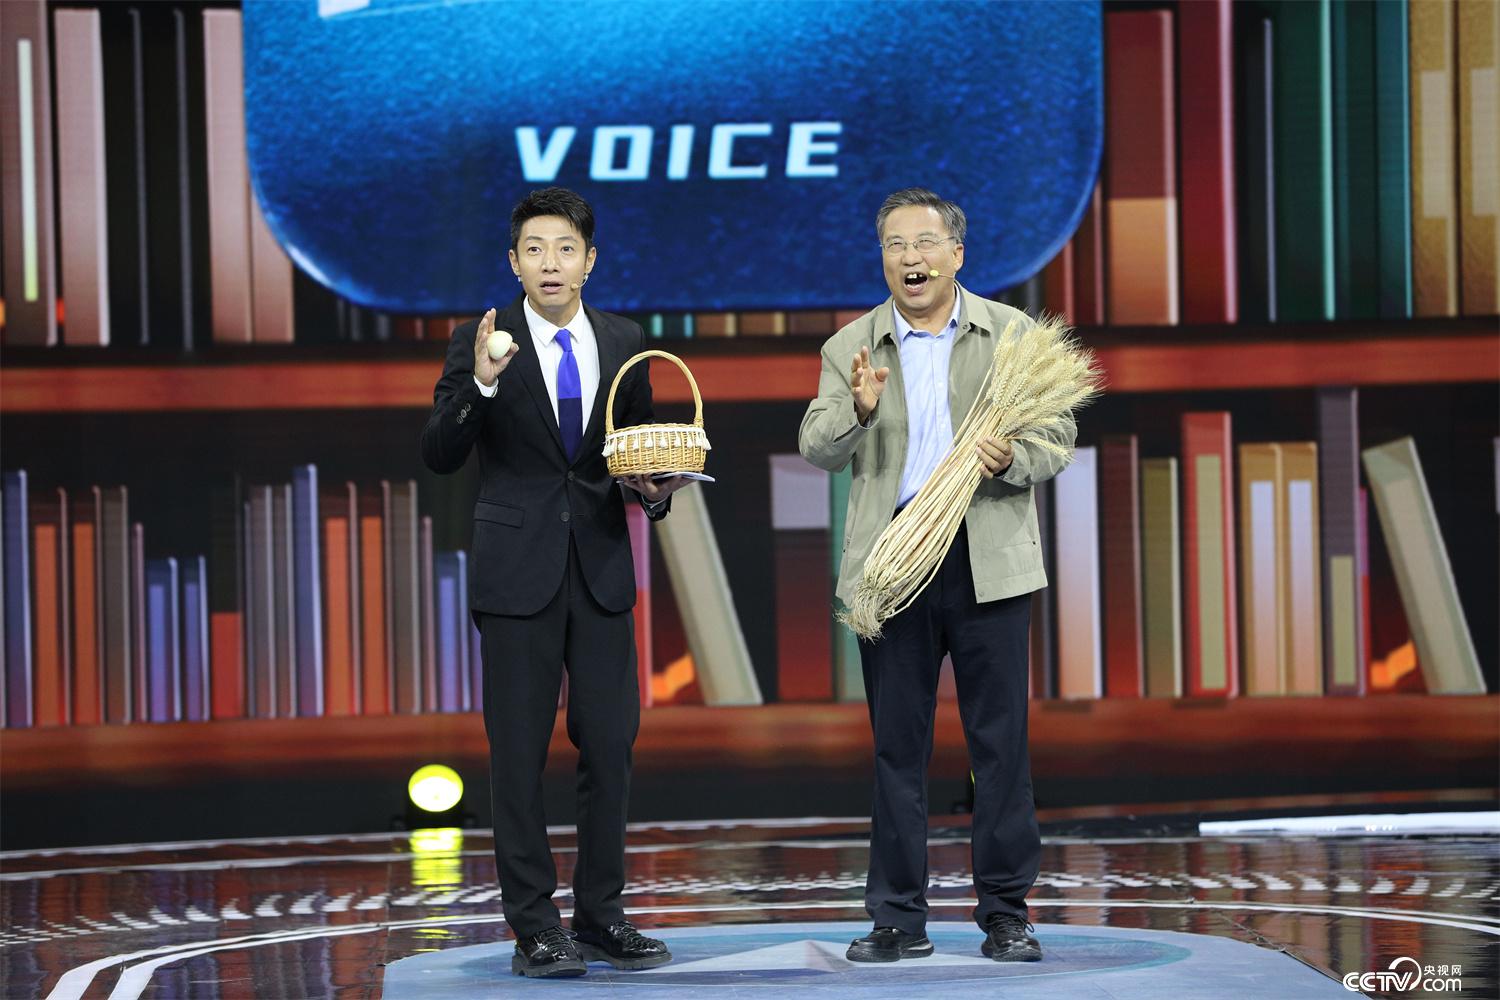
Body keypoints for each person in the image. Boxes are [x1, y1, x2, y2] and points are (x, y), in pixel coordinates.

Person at [798, 187, 1076, 964]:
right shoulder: (852, 346)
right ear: (882, 258)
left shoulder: (1012, 336)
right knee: (897, 748)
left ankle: (1007, 914)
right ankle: (897, 918)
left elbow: (1057, 436)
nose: (910, 258)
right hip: (893, 565)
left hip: (988, 558)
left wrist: (1012, 457)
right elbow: (817, 446)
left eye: (924, 243)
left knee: (1000, 746)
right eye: (895, 245)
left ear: (957, 252)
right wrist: (856, 410)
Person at [421, 186, 688, 978]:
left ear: (589, 260)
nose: (550, 263)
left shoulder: (625, 339)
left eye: (565, 249)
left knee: (610, 746)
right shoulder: (479, 339)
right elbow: (440, 451)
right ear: (514, 261)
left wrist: (654, 491)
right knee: (518, 754)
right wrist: (482, 384)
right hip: (516, 575)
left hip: (600, 570)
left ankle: (601, 916)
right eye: (534, 249)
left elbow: (634, 451)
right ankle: (534, 926)